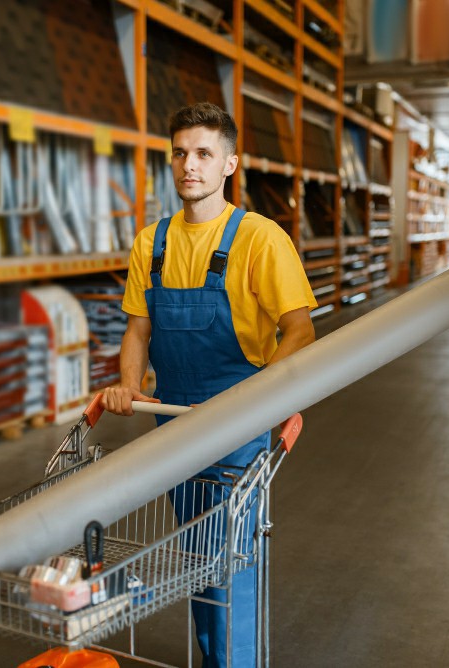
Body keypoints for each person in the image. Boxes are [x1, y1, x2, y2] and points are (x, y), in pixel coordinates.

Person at [102, 102, 317, 666]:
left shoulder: (259, 238)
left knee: (230, 556)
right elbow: (138, 329)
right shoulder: (151, 243)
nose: (189, 165)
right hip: (173, 419)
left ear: (229, 164)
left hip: (238, 421)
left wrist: (259, 398)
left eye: (203, 153)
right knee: (198, 553)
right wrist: (128, 385)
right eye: (179, 153)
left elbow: (299, 328)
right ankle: (214, 656)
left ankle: (234, 661)